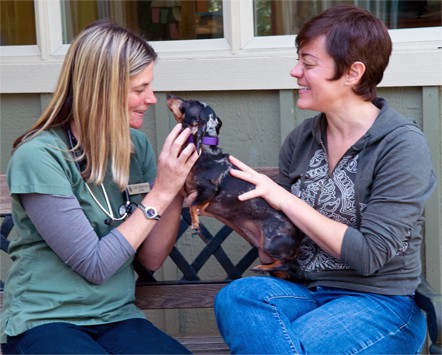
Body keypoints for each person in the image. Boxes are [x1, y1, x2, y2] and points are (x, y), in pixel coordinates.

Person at [214, 5, 436, 354]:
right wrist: (223, 206)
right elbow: (283, 238)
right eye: (298, 61)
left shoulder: (400, 145)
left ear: (352, 73)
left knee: (298, 343)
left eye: (308, 63)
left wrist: (284, 198)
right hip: (307, 293)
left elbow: (369, 256)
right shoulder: (301, 140)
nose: (295, 71)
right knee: (238, 296)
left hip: (382, 304)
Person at [0, 21, 199, 354]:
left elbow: (149, 259)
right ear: (101, 89)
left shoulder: (138, 146)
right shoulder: (39, 156)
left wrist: (178, 187)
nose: (151, 99)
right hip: (47, 320)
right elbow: (95, 266)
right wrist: (162, 192)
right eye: (140, 89)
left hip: (118, 317)